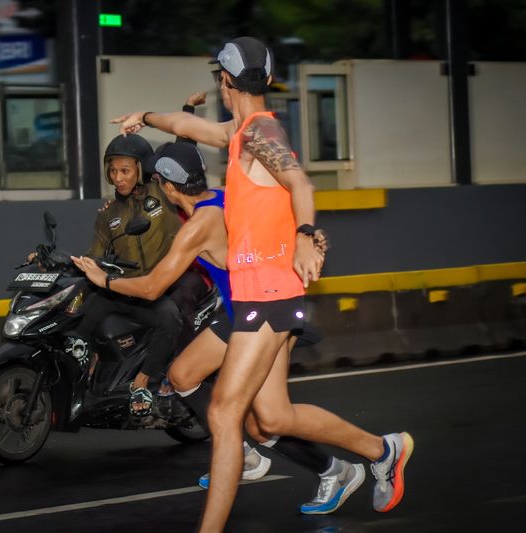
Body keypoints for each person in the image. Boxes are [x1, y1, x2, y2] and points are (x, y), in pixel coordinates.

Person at [111, 37, 413, 530]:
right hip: (264, 293)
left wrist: (304, 234)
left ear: (225, 81)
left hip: (268, 294)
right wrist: (145, 116)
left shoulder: (259, 134)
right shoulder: (243, 130)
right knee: (271, 418)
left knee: (225, 414)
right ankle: (385, 451)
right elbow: (190, 125)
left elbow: (300, 183)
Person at [73, 141, 364, 515]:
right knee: (183, 376)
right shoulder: (221, 198)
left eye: (156, 182)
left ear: (169, 187)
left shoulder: (198, 226)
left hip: (259, 312)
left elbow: (151, 288)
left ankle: (339, 466)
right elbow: (269, 217)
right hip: (241, 312)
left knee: (264, 421)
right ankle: (253, 455)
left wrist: (103, 281)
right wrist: (305, 237)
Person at [77, 133, 207, 416]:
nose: (118, 177)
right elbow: (94, 255)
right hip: (128, 287)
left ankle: (144, 381)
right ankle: (86, 373)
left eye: (125, 170)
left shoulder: (162, 192)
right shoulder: (108, 214)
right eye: (113, 171)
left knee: (170, 317)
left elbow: (179, 157)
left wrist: (187, 114)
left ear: (141, 169)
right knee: (83, 314)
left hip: (160, 285)